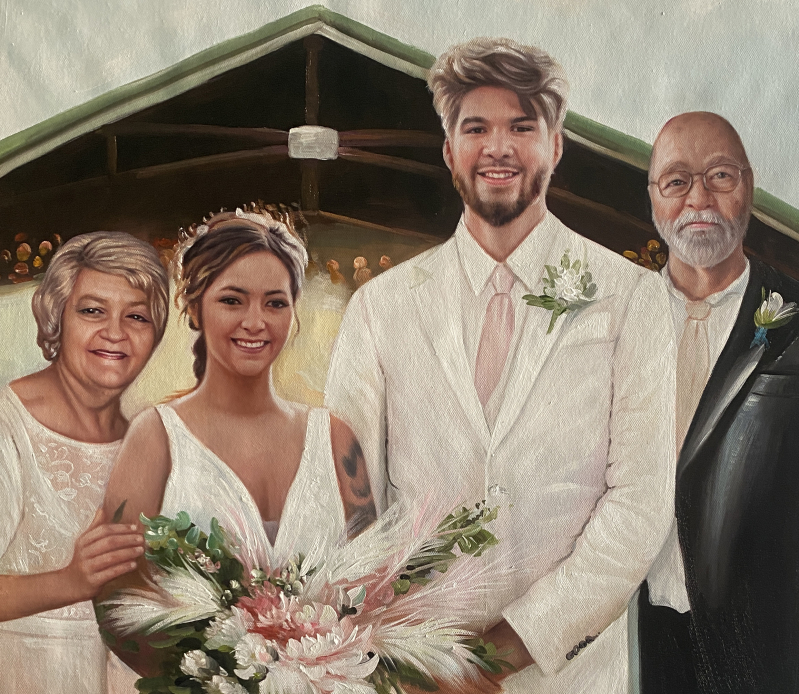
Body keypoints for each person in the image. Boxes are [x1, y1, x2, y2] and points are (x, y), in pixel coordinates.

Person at [325, 38, 675, 694]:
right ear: (448, 150)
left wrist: (502, 654)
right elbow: (348, 499)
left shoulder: (629, 297)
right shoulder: (380, 307)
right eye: (474, 127)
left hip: (569, 678)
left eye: (521, 126)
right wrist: (400, 645)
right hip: (415, 674)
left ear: (555, 145)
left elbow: (640, 504)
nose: (498, 147)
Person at [102, 208, 376, 674]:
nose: (256, 322)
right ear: (194, 306)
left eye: (275, 303)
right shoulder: (156, 437)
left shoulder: (334, 439)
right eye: (233, 300)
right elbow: (114, 600)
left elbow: (375, 590)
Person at [638, 112, 799, 694]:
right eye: (677, 182)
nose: (698, 199)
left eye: (720, 177)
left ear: (748, 186)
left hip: (765, 649)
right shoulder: (610, 322)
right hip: (634, 639)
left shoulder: (794, 317)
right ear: (654, 199)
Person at [0, 231, 169, 693]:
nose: (115, 333)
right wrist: (70, 581)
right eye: (92, 311)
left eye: (136, 316)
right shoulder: (7, 425)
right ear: (56, 316)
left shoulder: (147, 442)